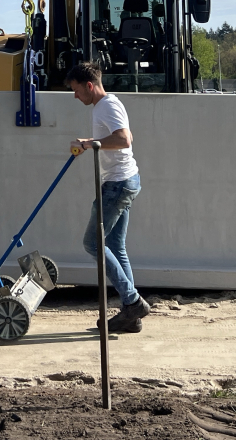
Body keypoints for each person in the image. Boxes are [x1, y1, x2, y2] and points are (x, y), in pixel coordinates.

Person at [67, 61, 152, 333]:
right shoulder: (106, 105)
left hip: (118, 184)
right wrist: (89, 142)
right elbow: (119, 138)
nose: (75, 95)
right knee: (116, 246)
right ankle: (132, 316)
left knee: (93, 243)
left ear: (90, 86)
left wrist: (90, 144)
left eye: (77, 90)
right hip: (122, 181)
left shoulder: (107, 105)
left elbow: (125, 139)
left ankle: (132, 301)